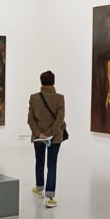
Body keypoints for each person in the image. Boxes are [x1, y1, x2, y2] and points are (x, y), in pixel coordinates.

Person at [27, 70, 66, 208]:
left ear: (41, 82)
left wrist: (40, 134)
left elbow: (30, 120)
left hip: (38, 138)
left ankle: (39, 189)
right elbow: (60, 120)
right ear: (53, 82)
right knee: (52, 165)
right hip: (55, 138)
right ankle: (50, 198)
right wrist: (50, 133)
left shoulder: (34, 98)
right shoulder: (59, 98)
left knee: (39, 162)